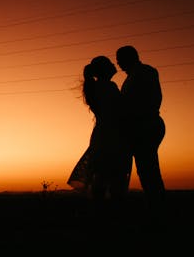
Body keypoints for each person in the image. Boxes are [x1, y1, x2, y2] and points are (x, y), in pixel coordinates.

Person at [67, 56, 132, 205]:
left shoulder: (96, 87)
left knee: (101, 173)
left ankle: (100, 210)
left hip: (102, 134)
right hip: (112, 135)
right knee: (114, 174)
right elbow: (120, 110)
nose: (113, 65)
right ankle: (109, 212)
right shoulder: (108, 87)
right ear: (104, 69)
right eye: (109, 64)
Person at [115, 45, 166, 211]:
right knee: (146, 169)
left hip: (145, 125)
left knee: (148, 170)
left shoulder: (145, 72)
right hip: (142, 126)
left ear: (130, 58)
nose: (118, 64)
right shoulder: (135, 75)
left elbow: (149, 100)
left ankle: (157, 208)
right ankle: (155, 206)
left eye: (120, 60)